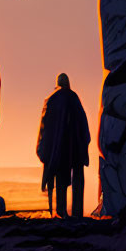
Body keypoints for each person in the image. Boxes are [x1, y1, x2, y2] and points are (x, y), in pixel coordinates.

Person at [36, 73, 91, 219]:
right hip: (75, 146)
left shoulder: (52, 99)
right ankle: (77, 212)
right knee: (77, 178)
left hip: (59, 147)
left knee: (61, 179)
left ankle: (61, 211)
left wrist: (44, 147)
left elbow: (45, 126)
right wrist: (84, 141)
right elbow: (83, 121)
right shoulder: (73, 97)